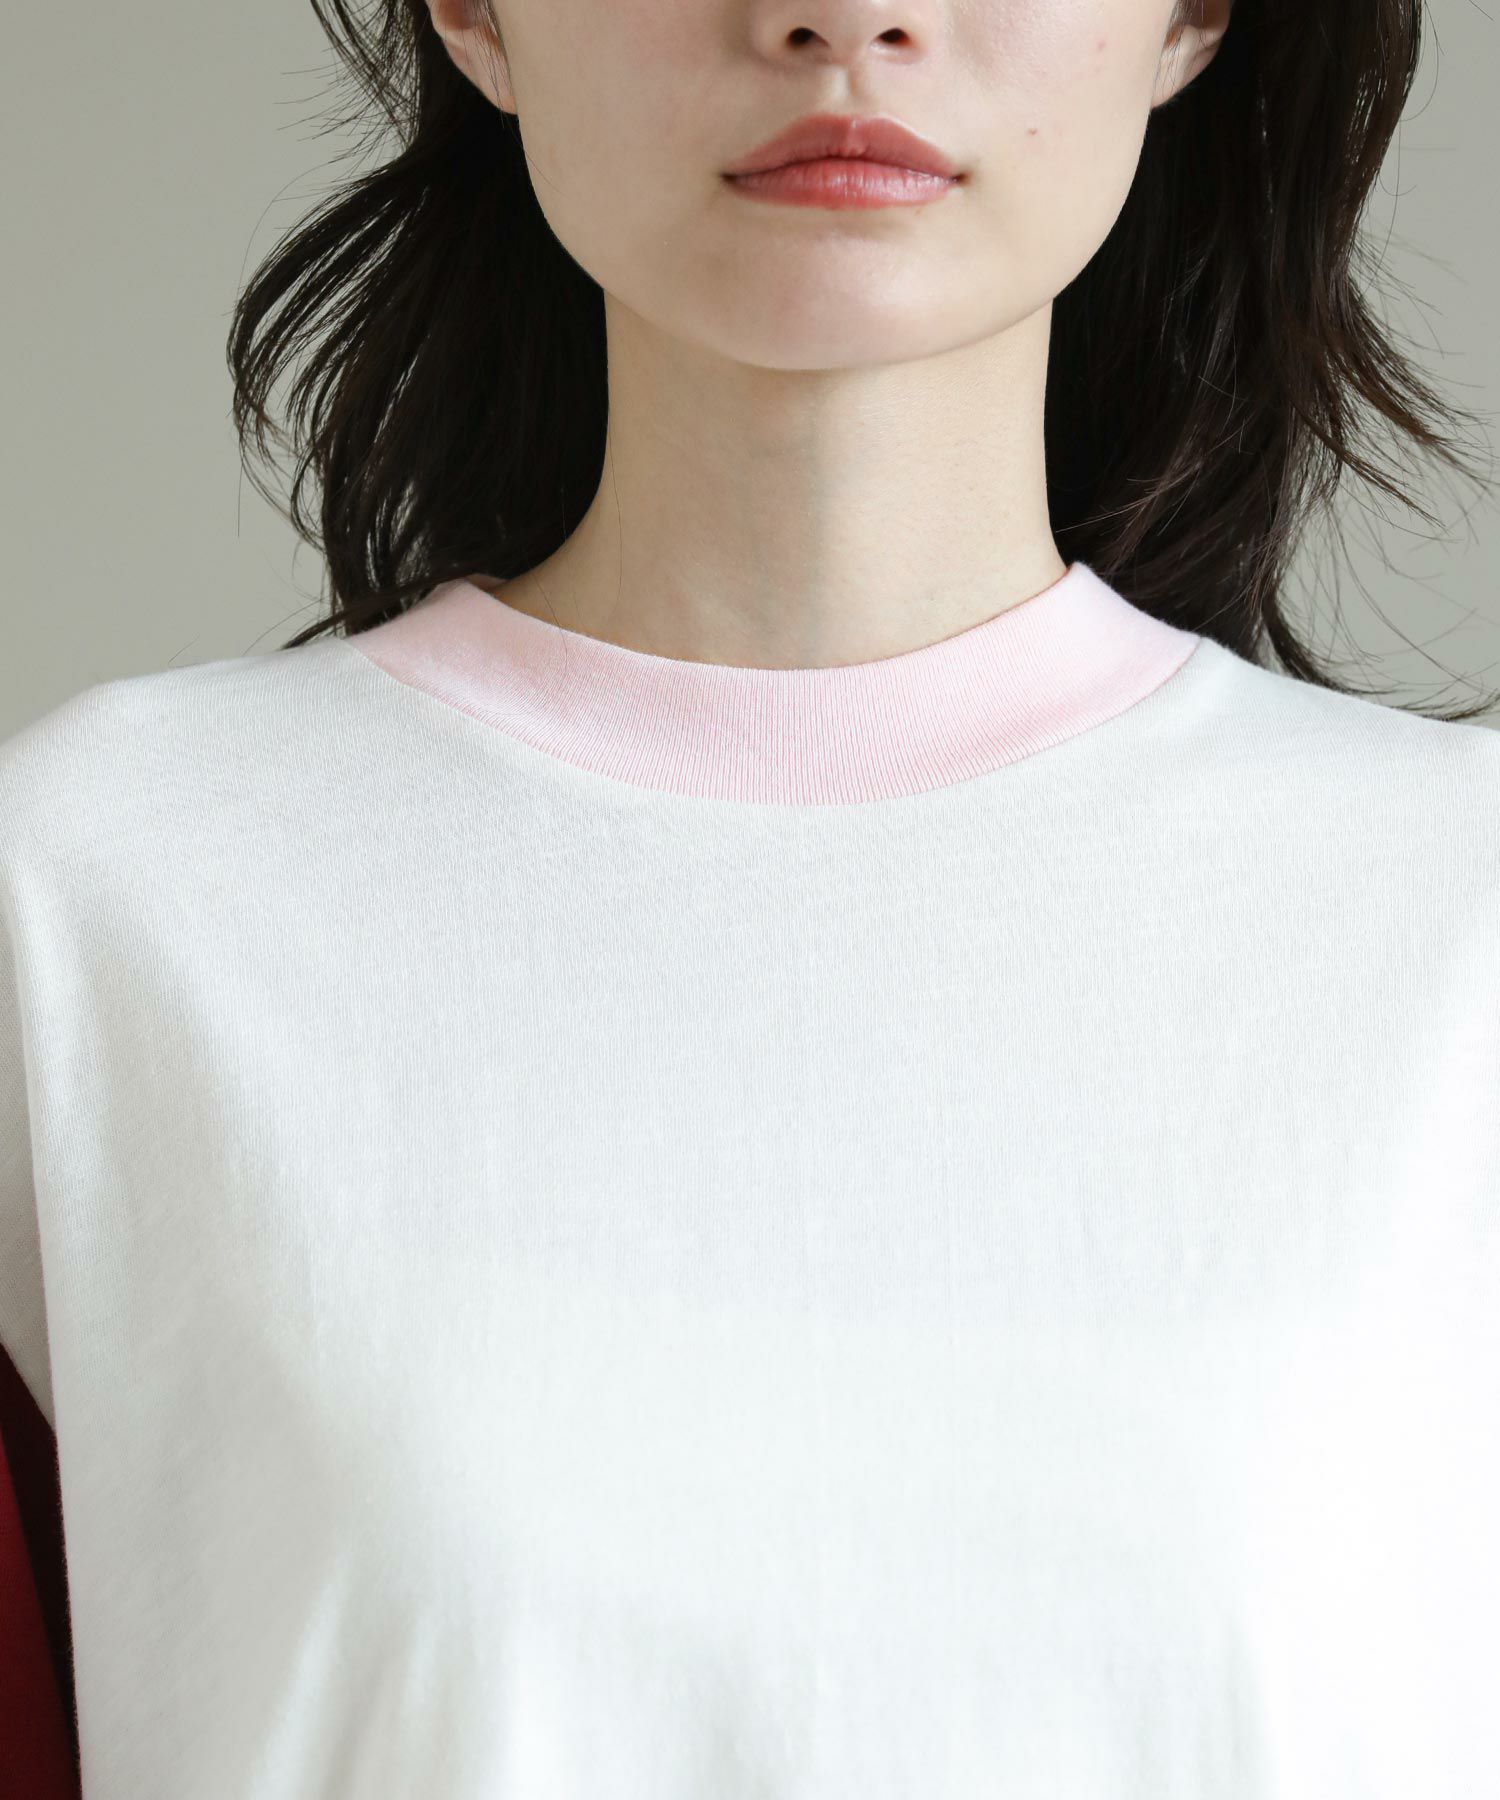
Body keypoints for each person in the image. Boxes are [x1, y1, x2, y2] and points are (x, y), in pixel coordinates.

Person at [2, 0, 1497, 1794]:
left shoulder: (1458, 921)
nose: (845, 18)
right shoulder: (87, 897)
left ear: (1189, 18)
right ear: (471, 12)